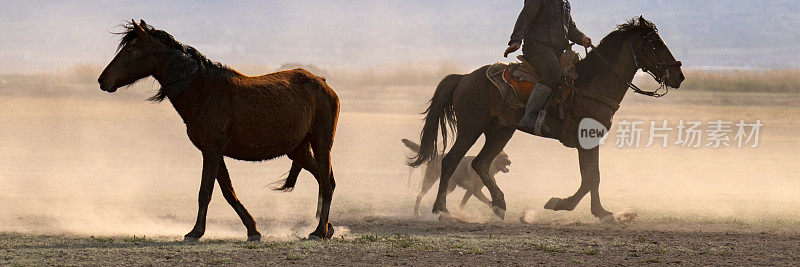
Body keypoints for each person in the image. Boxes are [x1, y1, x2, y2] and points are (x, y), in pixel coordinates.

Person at [504, 0, 592, 132]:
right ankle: (529, 117)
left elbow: (570, 29)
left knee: (573, 74)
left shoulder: (565, 3)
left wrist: (582, 38)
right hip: (536, 47)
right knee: (553, 72)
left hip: (556, 51)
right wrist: (516, 40)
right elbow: (525, 17)